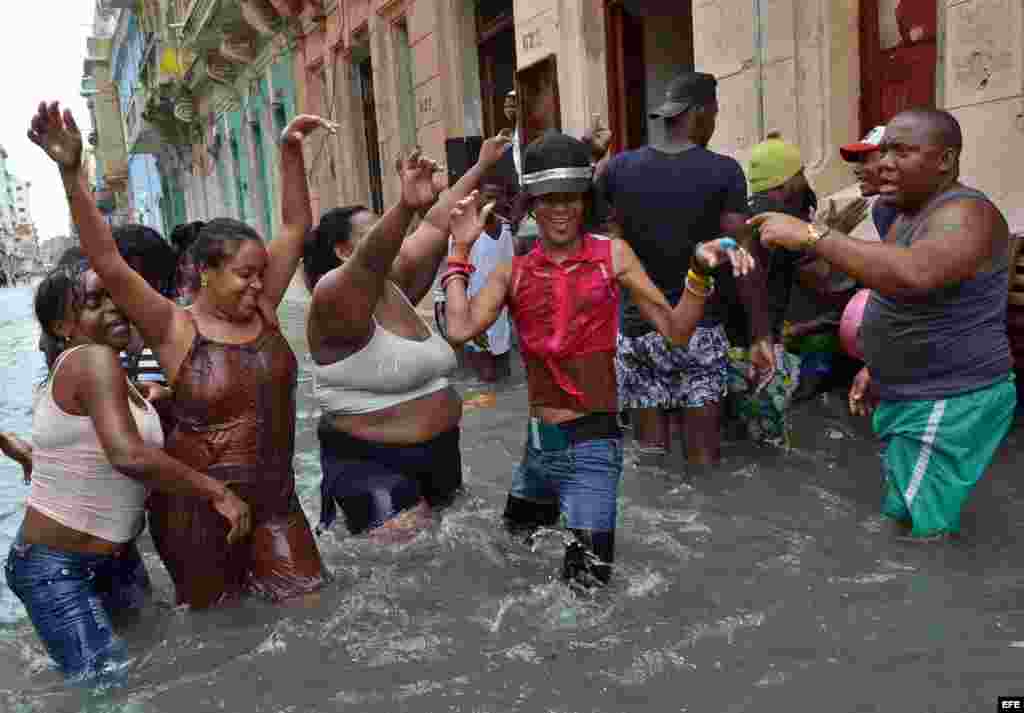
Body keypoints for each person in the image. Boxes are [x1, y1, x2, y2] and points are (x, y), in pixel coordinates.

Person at [29, 100, 333, 607]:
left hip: (278, 506)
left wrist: (289, 154)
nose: (258, 283)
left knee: (311, 607)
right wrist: (70, 174)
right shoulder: (172, 326)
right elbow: (106, 259)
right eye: (244, 273)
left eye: (262, 272)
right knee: (220, 637)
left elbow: (295, 228)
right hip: (197, 514)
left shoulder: (262, 308)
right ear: (206, 272)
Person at [442, 132, 754, 587]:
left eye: (571, 198)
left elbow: (677, 330)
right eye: (549, 199)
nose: (561, 209)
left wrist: (699, 271)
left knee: (586, 593)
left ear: (585, 200)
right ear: (533, 204)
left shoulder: (614, 255)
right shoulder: (515, 270)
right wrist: (459, 250)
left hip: (592, 449)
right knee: (512, 554)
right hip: (538, 449)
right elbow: (459, 329)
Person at [752, 108, 1015, 540]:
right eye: (884, 150)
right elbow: (901, 297)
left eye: (902, 151)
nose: (884, 162)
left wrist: (814, 236)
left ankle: (928, 599)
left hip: (949, 396)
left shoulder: (967, 214)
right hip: (915, 390)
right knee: (907, 512)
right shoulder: (901, 212)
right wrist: (877, 366)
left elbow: (916, 274)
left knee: (924, 533)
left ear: (945, 160)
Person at [5, 260, 249, 682]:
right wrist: (217, 492)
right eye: (94, 303)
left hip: (115, 559)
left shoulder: (109, 370)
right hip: (58, 569)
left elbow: (81, 451)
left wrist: (160, 398)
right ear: (64, 326)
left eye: (114, 295)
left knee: (148, 667)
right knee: (108, 688)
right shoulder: (92, 360)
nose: (114, 308)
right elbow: (127, 456)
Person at [305, 134, 512, 542]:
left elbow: (437, 222)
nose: (392, 238)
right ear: (344, 251)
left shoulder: (394, 283)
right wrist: (403, 208)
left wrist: (481, 165)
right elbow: (373, 257)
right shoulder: (331, 298)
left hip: (438, 455)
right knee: (408, 575)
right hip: (371, 464)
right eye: (376, 231)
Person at [596, 71, 775, 471]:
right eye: (713, 113)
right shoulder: (722, 170)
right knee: (704, 460)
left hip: (639, 329)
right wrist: (761, 335)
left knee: (651, 459)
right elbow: (741, 256)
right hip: (700, 331)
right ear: (698, 112)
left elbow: (609, 254)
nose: (714, 122)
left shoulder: (617, 170)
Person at [721, 133, 810, 447]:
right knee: (768, 445)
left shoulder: (737, 214)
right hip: (761, 349)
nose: (804, 182)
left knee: (731, 438)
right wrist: (825, 238)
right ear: (784, 182)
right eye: (799, 175)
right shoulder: (780, 223)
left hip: (724, 346)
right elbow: (821, 279)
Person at [458, 180, 516, 383]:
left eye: (498, 196)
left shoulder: (507, 227)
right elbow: (457, 271)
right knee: (486, 374)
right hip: (475, 307)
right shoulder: (465, 230)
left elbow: (510, 264)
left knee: (504, 371)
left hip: (501, 309)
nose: (494, 201)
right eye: (489, 196)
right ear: (477, 198)